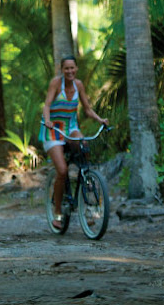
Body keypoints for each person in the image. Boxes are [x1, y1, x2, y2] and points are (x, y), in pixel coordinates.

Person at [39, 55, 108, 230]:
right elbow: (47, 105)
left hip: (70, 127)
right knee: (62, 170)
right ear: (62, 70)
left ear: (76, 69)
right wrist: (47, 120)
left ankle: (86, 181)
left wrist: (100, 120)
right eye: (66, 68)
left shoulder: (79, 85)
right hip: (53, 130)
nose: (70, 71)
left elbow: (87, 109)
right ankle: (57, 213)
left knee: (84, 144)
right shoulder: (56, 83)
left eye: (72, 68)